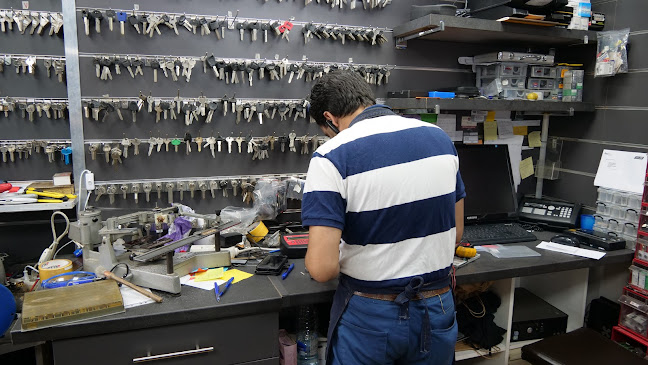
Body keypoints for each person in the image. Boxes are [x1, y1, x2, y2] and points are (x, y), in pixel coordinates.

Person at [301, 70, 465, 365]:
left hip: (371, 314)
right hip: (438, 306)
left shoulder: (331, 156)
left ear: (330, 118)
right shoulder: (440, 139)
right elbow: (456, 234)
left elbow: (321, 269)